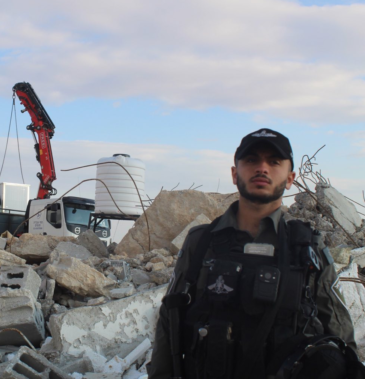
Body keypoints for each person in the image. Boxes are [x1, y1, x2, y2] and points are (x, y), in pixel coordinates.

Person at [148, 129, 359, 379]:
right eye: (251, 160)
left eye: (274, 162)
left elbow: (340, 333)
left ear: (291, 178)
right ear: (235, 173)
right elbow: (170, 317)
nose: (262, 168)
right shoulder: (201, 241)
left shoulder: (308, 248)